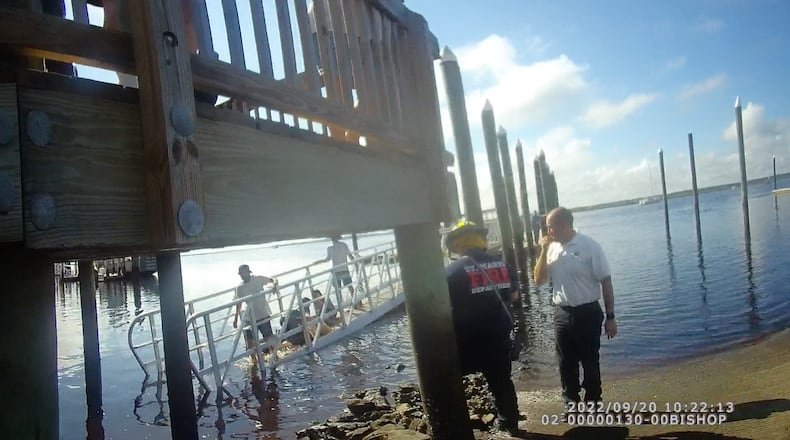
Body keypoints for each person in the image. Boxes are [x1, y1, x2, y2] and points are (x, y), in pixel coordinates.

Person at [443, 221, 525, 437]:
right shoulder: (503, 266)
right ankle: (509, 423)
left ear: (457, 245)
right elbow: (515, 297)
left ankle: (455, 423)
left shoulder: (451, 272)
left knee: (451, 381)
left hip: (466, 340)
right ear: (481, 240)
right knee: (501, 381)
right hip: (498, 336)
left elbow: (443, 307)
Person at [533, 207, 617, 405]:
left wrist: (610, 316)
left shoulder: (589, 246)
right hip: (562, 312)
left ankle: (593, 400)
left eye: (549, 227)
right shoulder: (551, 248)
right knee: (565, 361)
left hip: (587, 311)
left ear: (562, 225)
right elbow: (538, 280)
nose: (547, 232)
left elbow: (606, 281)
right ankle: (571, 401)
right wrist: (543, 250)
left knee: (589, 360)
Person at [233, 264, 278, 351]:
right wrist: (235, 319)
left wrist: (275, 285)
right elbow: (239, 303)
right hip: (250, 316)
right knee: (250, 340)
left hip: (263, 313)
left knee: (268, 336)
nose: (242, 276)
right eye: (241, 274)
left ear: (248, 272)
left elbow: (273, 279)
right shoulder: (240, 288)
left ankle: (275, 356)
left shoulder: (258, 279)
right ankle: (254, 360)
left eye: (243, 273)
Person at [314, 234, 358, 306]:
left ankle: (341, 305)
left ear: (331, 239)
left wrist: (319, 261)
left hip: (336, 271)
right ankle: (356, 302)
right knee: (350, 287)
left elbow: (327, 259)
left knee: (338, 290)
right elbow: (350, 256)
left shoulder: (330, 248)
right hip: (344, 269)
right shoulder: (344, 245)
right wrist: (355, 264)